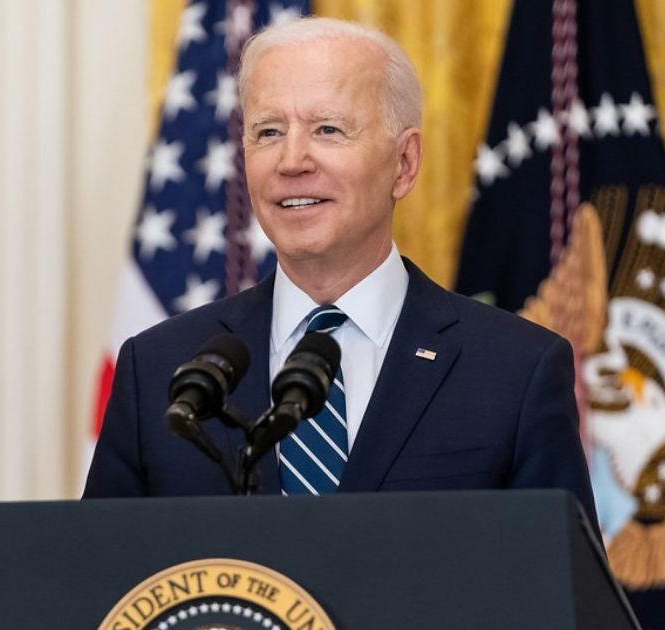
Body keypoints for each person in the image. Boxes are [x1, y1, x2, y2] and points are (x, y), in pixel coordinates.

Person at [83, 17, 597, 525]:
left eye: (327, 129)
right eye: (268, 131)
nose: (291, 160)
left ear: (404, 164)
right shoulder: (158, 372)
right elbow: (100, 591)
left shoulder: (516, 371)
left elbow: (563, 599)